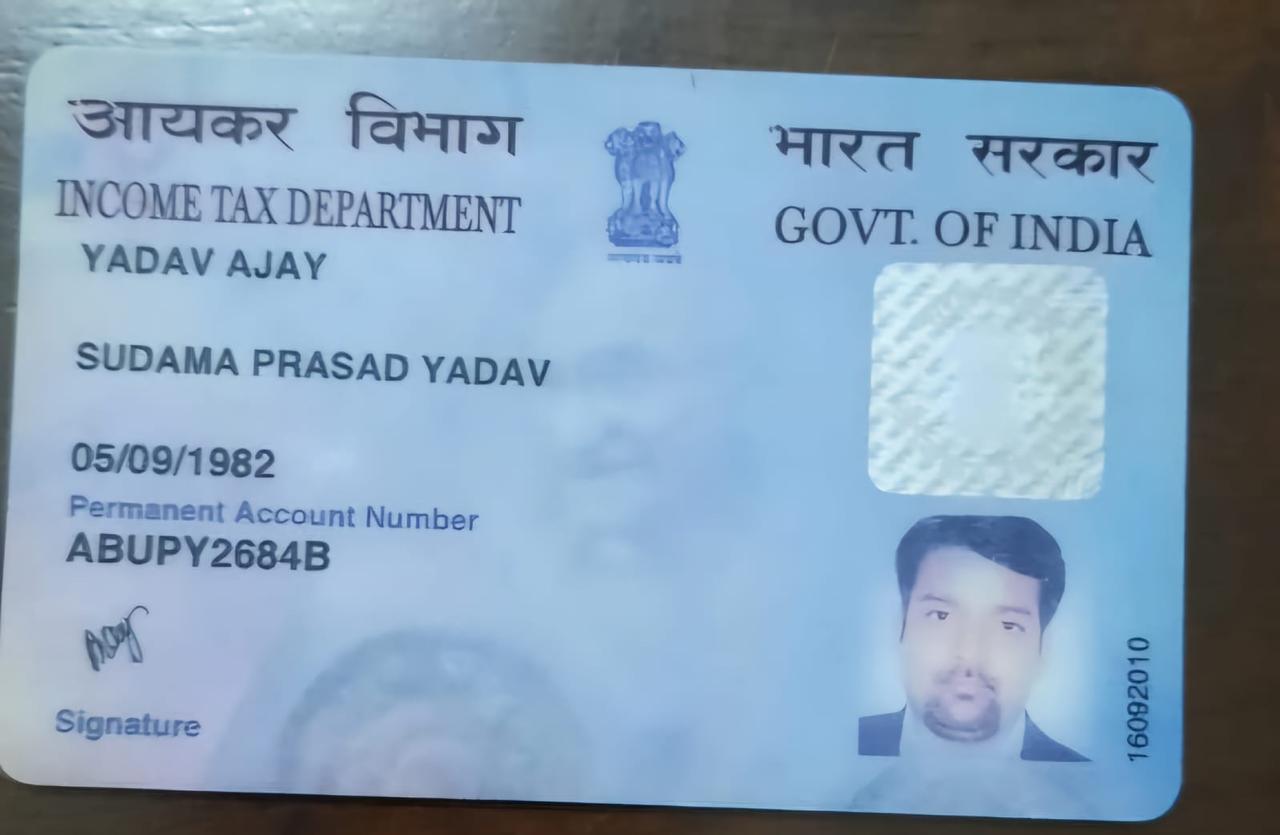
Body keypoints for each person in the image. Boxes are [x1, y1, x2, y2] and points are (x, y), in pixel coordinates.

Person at [859, 515, 1087, 762]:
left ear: (1042, 649)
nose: (970, 654)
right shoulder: (839, 748)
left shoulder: (1086, 780)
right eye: (941, 616)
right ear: (900, 628)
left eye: (1007, 626)